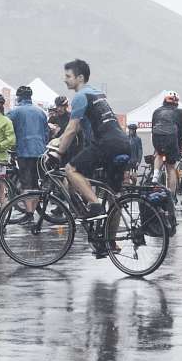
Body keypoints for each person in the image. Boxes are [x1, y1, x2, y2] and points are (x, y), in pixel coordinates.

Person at [46, 58, 135, 233]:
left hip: (105, 143)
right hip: (123, 143)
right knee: (114, 197)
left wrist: (59, 153)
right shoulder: (97, 93)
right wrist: (60, 139)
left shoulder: (80, 96)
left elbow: (72, 129)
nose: (65, 79)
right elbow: (77, 125)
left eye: (68, 76)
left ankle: (94, 204)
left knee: (71, 170)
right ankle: (110, 242)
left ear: (80, 78)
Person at [7, 85, 52, 198]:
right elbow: (46, 133)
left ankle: (29, 212)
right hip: (40, 151)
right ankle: (34, 208)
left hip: (24, 151)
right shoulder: (41, 112)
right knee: (35, 182)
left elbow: (5, 128)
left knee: (26, 183)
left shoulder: (14, 112)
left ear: (18, 98)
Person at [149, 92, 182, 192]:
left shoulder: (156, 111)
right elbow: (181, 132)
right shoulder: (180, 112)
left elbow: (152, 127)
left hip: (157, 138)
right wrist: (178, 147)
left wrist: (156, 145)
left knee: (159, 154)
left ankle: (155, 175)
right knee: (170, 168)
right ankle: (170, 194)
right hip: (171, 139)